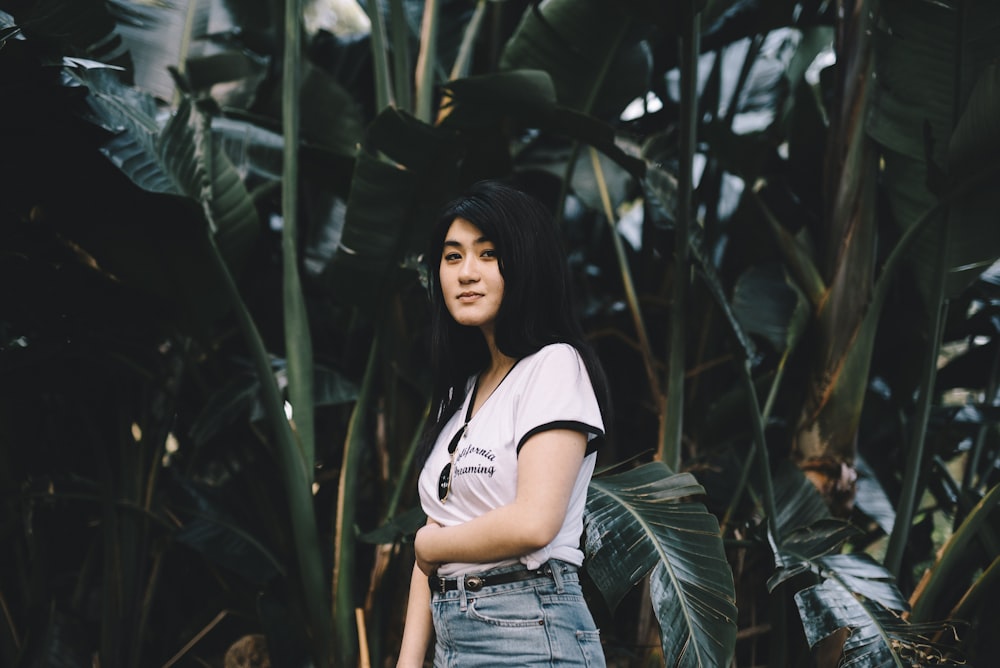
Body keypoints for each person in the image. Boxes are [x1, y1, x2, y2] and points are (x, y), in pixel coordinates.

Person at [396, 180, 612, 667]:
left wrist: (428, 545)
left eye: (488, 254)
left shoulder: (555, 365)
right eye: (452, 257)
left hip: (529, 627)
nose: (466, 273)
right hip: (454, 632)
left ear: (525, 263)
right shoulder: (462, 392)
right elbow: (433, 542)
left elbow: (534, 523)